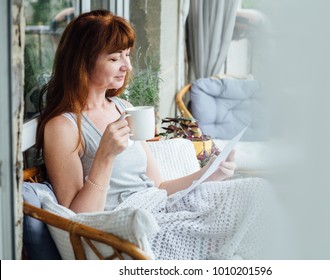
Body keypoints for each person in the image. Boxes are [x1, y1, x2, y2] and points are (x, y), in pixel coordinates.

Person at [36, 9, 270, 260]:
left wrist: (211, 172)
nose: (127, 66)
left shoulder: (122, 108)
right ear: (82, 62)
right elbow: (79, 218)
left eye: (127, 55)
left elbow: (158, 186)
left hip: (162, 206)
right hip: (133, 228)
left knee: (258, 191)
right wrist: (104, 157)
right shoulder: (63, 127)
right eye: (115, 58)